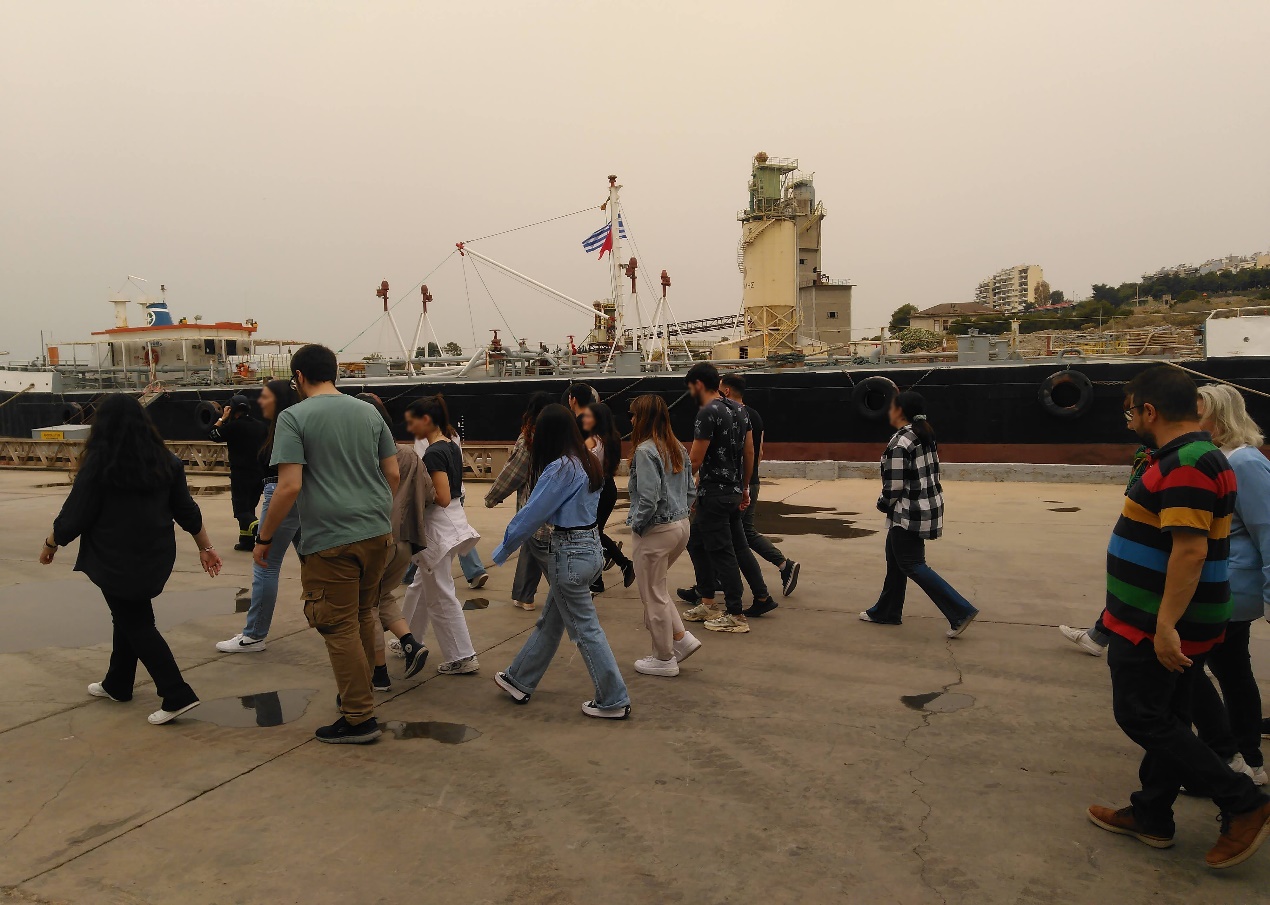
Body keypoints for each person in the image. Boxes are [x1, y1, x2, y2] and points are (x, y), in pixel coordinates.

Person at [1085, 365, 1269, 870]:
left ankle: (1242, 800)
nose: (1127, 420)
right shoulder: (1195, 455)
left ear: (1150, 410)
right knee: (1169, 716)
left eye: (1129, 410)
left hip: (1158, 621)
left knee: (1140, 714)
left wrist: (1165, 626)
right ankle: (1152, 814)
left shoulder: (1187, 461)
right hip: (1169, 615)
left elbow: (1188, 551)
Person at [41, 394, 221, 725]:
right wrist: (205, 546)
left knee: (137, 622)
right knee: (127, 614)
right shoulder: (166, 461)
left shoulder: (100, 464)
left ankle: (176, 692)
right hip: (154, 553)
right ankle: (118, 683)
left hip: (114, 557)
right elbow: (186, 510)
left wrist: (52, 542)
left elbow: (76, 514)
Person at [254, 344, 398, 745]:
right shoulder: (368, 411)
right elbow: (392, 471)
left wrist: (264, 537)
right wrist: (376, 512)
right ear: (334, 373)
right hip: (375, 533)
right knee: (362, 615)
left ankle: (359, 717)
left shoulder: (294, 417)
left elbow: (289, 485)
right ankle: (358, 693)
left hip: (331, 540)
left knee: (337, 625)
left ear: (298, 377)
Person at [491, 404, 630, 719]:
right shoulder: (589, 461)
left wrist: (504, 548)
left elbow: (532, 513)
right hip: (590, 548)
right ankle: (519, 679)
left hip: (567, 554)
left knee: (585, 629)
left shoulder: (561, 468)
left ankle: (613, 699)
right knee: (552, 622)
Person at [1187, 384, 1269, 786]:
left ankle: (1232, 759)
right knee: (1231, 670)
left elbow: (1267, 529)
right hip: (1218, 585)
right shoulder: (1216, 459)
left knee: (1187, 672)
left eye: (1196, 413)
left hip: (1231, 587)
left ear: (1219, 417)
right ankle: (1245, 759)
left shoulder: (1244, 462)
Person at [860, 391, 978, 636]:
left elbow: (894, 485)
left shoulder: (900, 441)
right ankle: (886, 611)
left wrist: (882, 504)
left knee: (912, 564)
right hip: (925, 506)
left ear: (900, 411)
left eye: (892, 407)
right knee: (896, 563)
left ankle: (959, 610)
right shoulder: (924, 434)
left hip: (908, 512)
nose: (889, 411)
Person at [216, 379, 302, 653]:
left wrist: (263, 537)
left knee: (265, 564)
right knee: (314, 562)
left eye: (265, 397)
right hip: (302, 497)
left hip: (280, 493)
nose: (260, 402)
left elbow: (286, 481)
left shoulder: (283, 429)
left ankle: (253, 635)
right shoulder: (290, 426)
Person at [357, 393, 433, 688]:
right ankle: (410, 642)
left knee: (366, 607)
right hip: (407, 542)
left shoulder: (368, 455)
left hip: (378, 539)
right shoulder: (411, 455)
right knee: (381, 595)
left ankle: (378, 673)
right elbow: (428, 494)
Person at [401, 396, 481, 676]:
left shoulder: (434, 452)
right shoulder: (450, 444)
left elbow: (443, 497)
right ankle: (408, 638)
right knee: (422, 586)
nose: (410, 428)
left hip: (438, 529)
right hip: (451, 524)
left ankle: (462, 655)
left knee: (440, 596)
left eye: (413, 421)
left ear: (426, 420)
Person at [626, 395, 700, 676]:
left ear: (642, 418)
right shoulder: (677, 447)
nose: (630, 420)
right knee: (658, 588)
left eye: (633, 415)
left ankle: (664, 657)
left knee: (652, 595)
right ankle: (681, 639)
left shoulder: (645, 451)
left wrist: (637, 525)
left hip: (656, 529)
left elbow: (648, 498)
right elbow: (691, 490)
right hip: (681, 526)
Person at [681, 362, 756, 634]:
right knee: (697, 542)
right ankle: (708, 601)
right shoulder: (740, 410)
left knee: (722, 552)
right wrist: (744, 487)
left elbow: (696, 459)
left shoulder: (706, 412)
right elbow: (749, 453)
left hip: (713, 493)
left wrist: (679, 487)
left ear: (698, 384)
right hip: (732, 491)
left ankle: (735, 613)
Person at [1060, 445, 1156, 656]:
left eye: (1132, 412)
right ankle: (1098, 635)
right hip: (1142, 539)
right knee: (1131, 590)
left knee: (1136, 590)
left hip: (1151, 540)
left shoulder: (1164, 456)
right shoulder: (1152, 453)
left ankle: (1098, 636)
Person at [720, 373, 800, 603]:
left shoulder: (730, 415)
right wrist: (750, 478)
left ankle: (781, 567)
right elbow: (759, 452)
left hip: (738, 483)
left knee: (726, 532)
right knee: (745, 531)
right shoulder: (755, 415)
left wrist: (741, 483)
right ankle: (784, 565)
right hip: (752, 480)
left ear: (726, 391)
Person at [485, 391, 555, 611]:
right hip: (556, 504)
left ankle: (571, 594)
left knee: (540, 547)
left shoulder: (530, 438)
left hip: (534, 507)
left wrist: (493, 497)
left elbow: (514, 473)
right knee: (531, 547)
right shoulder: (561, 437)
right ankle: (524, 596)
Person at [409, 406, 489, 590]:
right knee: (452, 537)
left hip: (440, 496)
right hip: (456, 491)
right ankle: (475, 571)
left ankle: (475, 570)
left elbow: (423, 468)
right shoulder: (452, 437)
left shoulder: (430, 447)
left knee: (444, 541)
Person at [580, 402, 636, 592]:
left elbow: (583, 468)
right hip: (608, 487)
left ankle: (618, 567)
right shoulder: (611, 438)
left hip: (596, 490)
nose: (584, 419)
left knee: (591, 534)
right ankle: (613, 569)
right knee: (595, 532)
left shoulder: (592, 442)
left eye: (588, 416)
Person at [209, 394, 268, 551]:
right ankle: (246, 541)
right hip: (259, 473)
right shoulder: (260, 426)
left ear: (232, 409)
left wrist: (222, 418)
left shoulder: (233, 427)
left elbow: (213, 434)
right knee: (250, 508)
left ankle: (260, 531)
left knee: (241, 510)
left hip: (241, 474)